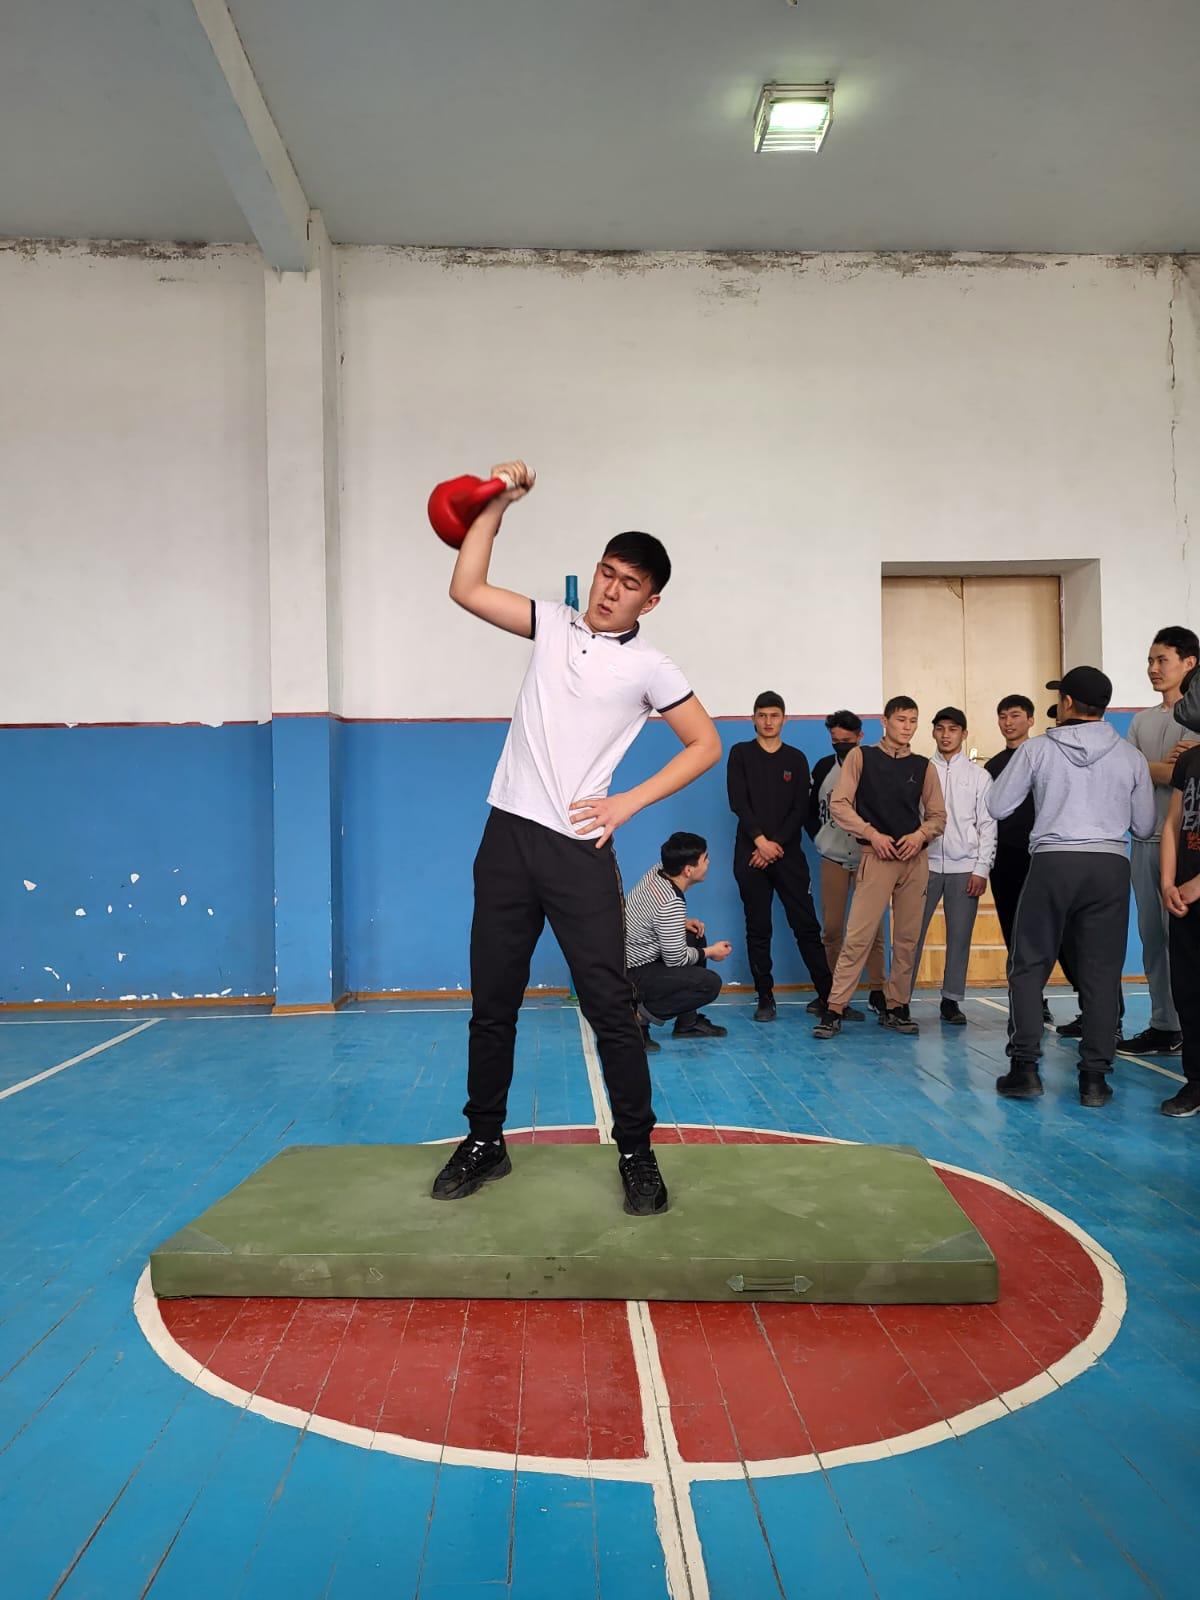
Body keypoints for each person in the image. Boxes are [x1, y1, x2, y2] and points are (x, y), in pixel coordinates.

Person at [430, 461, 721, 1216]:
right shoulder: (552, 624)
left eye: (628, 584)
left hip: (577, 850)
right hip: (507, 837)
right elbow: (466, 587)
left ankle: (637, 1152)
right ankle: (485, 1141)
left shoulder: (652, 667)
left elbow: (705, 744)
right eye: (605, 573)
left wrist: (626, 803)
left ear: (651, 600)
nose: (609, 589)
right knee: (493, 1002)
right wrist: (496, 506)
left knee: (609, 1006)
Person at [987, 667, 1156, 1107]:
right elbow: (1144, 826)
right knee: (1101, 972)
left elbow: (997, 804)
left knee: (1029, 965)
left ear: (1066, 703)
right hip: (1110, 866)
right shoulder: (1130, 756)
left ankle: (1025, 1070)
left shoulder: (1038, 749)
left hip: (1053, 862)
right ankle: (1094, 1080)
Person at [813, 696, 947, 1040]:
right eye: (901, 719)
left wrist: (920, 835)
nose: (907, 727)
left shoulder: (923, 766)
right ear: (885, 722)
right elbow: (840, 804)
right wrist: (871, 833)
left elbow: (937, 817)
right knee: (858, 937)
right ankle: (834, 1009)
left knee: (906, 939)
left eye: (913, 721)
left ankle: (897, 1006)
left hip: (914, 861)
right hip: (876, 857)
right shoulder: (861, 757)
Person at [727, 692, 833, 1022]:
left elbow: (800, 809)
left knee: (806, 926)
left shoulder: (796, 759)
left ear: (784, 719)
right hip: (751, 855)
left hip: (787, 855)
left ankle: (829, 997)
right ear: (753, 718)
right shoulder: (740, 754)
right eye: (762, 715)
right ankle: (765, 997)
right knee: (758, 929)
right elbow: (738, 802)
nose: (768, 721)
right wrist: (760, 843)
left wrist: (773, 846)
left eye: (774, 715)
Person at [1123, 626, 1200, 1055]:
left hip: (1189, 850)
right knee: (1153, 938)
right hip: (1146, 840)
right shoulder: (1141, 720)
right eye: (1150, 661)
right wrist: (1162, 767)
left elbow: (1178, 773)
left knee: (1186, 944)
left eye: (1162, 660)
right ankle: (1164, 1025)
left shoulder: (1196, 717)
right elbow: (1129, 773)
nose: (1153, 668)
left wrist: (1146, 765)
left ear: (1189, 663)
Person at [913, 708, 996, 1026]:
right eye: (940, 728)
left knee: (959, 936)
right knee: (911, 934)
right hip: (925, 865)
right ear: (933, 732)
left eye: (953, 729)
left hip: (965, 868)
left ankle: (951, 1000)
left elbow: (987, 825)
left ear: (964, 734)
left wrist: (981, 868)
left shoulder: (979, 776)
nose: (946, 734)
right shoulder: (920, 770)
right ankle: (899, 998)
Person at [807, 711, 887, 1018]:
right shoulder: (824, 768)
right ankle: (834, 993)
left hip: (869, 858)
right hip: (834, 857)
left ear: (860, 737)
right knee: (832, 929)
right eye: (835, 740)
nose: (840, 745)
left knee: (873, 929)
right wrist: (820, 838)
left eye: (847, 740)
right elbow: (810, 810)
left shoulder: (874, 765)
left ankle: (878, 990)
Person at [626, 832, 732, 1050]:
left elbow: (650, 912)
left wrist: (680, 922)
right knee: (710, 984)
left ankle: (687, 1023)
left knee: (695, 936)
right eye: (705, 859)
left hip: (630, 956)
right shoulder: (670, 902)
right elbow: (675, 959)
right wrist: (711, 952)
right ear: (688, 870)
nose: (709, 862)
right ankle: (638, 1021)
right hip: (634, 972)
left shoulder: (658, 872)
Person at [1159, 664, 1200, 1116]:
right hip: (1183, 899)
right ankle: (1195, 1081)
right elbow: (1173, 824)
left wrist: (1196, 885)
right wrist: (1168, 882)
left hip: (1194, 890)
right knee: (1188, 990)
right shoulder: (1189, 761)